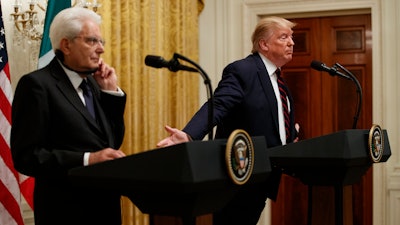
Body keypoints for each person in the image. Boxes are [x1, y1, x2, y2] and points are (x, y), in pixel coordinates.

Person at [157, 16, 298, 225]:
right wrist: (189, 134)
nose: (291, 43)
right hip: (238, 176)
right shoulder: (244, 70)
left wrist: (291, 136)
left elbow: (272, 122)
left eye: (291, 37)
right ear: (264, 44)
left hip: (262, 176)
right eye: (284, 37)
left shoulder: (280, 82)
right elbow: (220, 105)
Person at [11, 7, 126, 225]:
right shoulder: (37, 85)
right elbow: (26, 156)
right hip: (65, 212)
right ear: (66, 45)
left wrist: (111, 93)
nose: (101, 49)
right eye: (92, 41)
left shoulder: (94, 83)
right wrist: (87, 159)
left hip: (106, 209)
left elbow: (111, 142)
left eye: (101, 41)